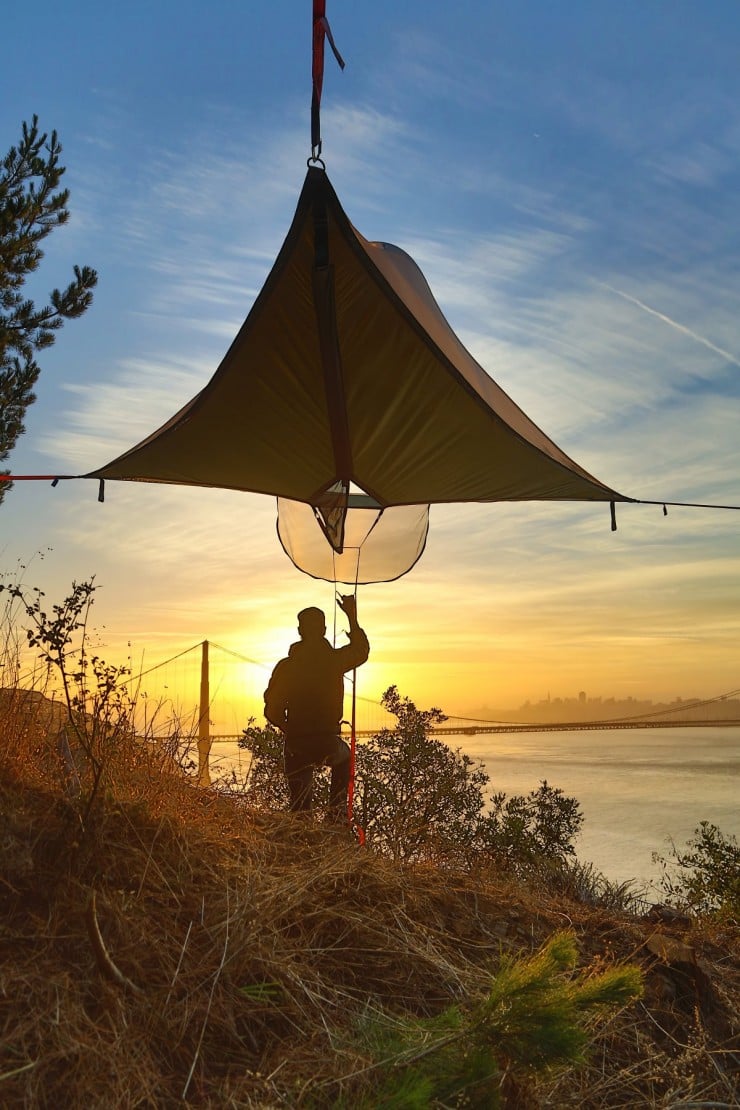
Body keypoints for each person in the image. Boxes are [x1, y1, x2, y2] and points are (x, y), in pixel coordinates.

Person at [263, 594, 370, 822]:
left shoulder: (286, 667)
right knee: (344, 758)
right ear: (323, 629)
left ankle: (301, 832)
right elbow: (361, 651)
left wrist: (290, 728)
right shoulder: (334, 661)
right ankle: (337, 816)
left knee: (300, 810)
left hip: (296, 743)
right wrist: (352, 617)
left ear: (300, 630)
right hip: (327, 741)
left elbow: (271, 710)